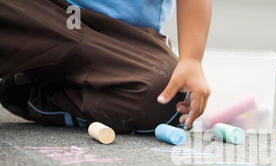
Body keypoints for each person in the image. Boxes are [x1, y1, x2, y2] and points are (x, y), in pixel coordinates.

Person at [0, 0, 211, 133]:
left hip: (122, 39)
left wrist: (191, 60)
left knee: (167, 97)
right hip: (46, 13)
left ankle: (28, 93)